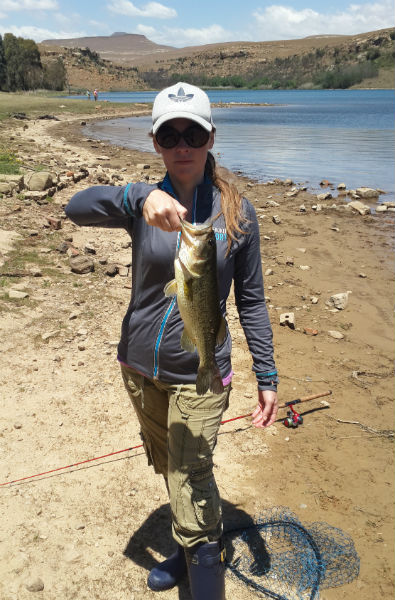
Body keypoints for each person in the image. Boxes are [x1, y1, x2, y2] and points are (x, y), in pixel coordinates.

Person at [65, 81, 278, 600]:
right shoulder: (144, 204)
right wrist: (138, 195)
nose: (182, 145)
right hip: (140, 368)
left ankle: (204, 570)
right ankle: (187, 556)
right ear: (156, 141)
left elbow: (251, 301)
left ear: (210, 138)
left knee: (191, 474)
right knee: (169, 465)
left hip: (201, 372)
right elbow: (76, 206)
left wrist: (267, 376)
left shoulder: (237, 214)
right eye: (170, 134)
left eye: (193, 134)